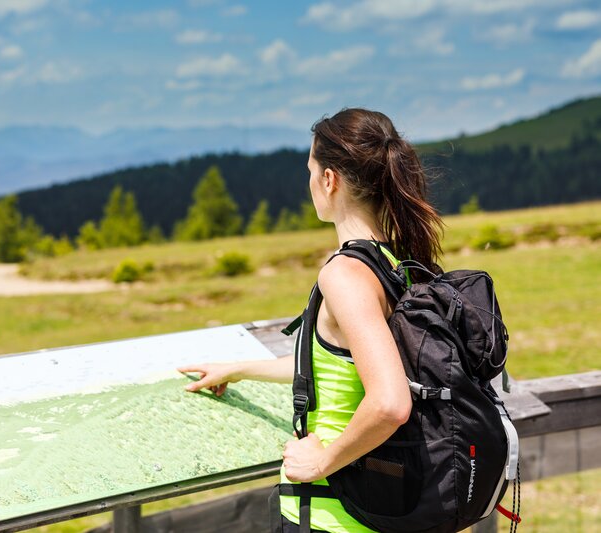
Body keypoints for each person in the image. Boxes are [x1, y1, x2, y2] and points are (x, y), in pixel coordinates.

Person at [177, 108, 444, 532]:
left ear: (329, 179)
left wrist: (321, 462)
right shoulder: (401, 265)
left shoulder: (346, 275)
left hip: (334, 514)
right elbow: (338, 365)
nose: (311, 182)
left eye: (311, 170)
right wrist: (238, 369)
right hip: (386, 505)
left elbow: (390, 403)